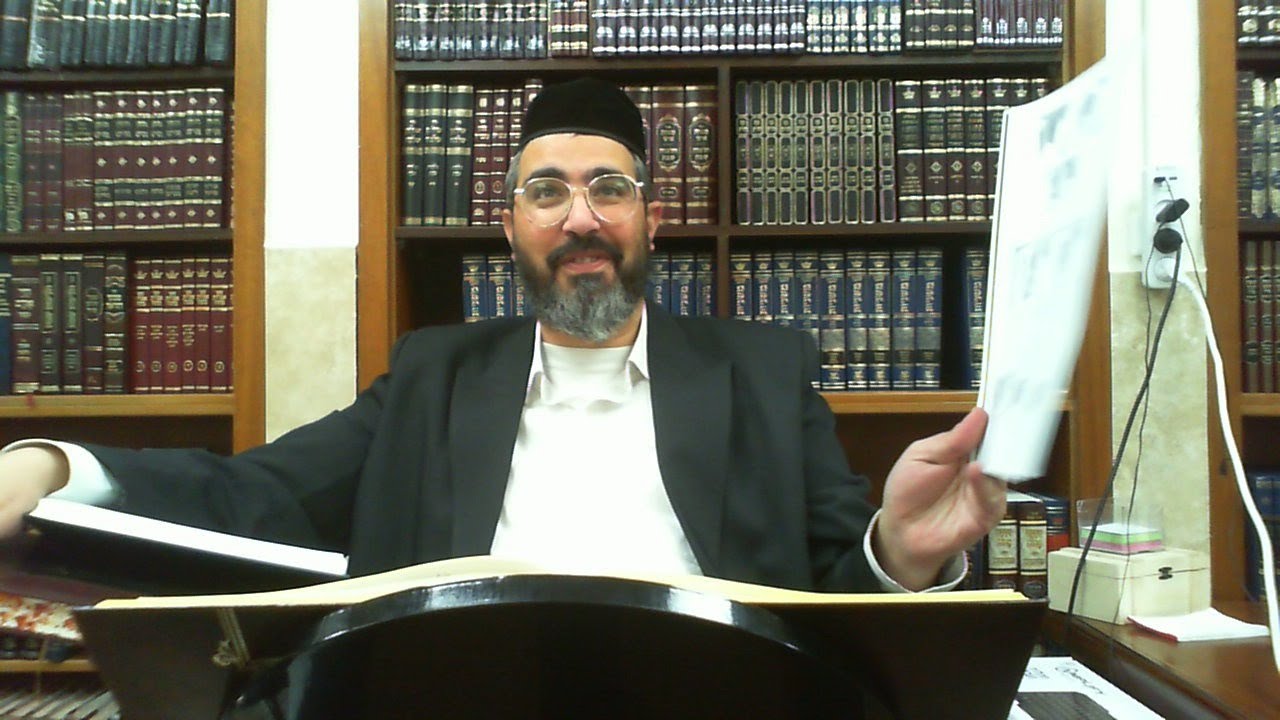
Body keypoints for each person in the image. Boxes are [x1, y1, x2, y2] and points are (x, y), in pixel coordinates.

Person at [0, 78, 1005, 593]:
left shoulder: (761, 371)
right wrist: (54, 466)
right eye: (547, 192)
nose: (581, 218)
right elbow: (252, 494)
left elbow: (840, 591)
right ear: (511, 229)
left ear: (651, 221)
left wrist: (900, 550)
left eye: (610, 189)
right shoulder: (434, 374)